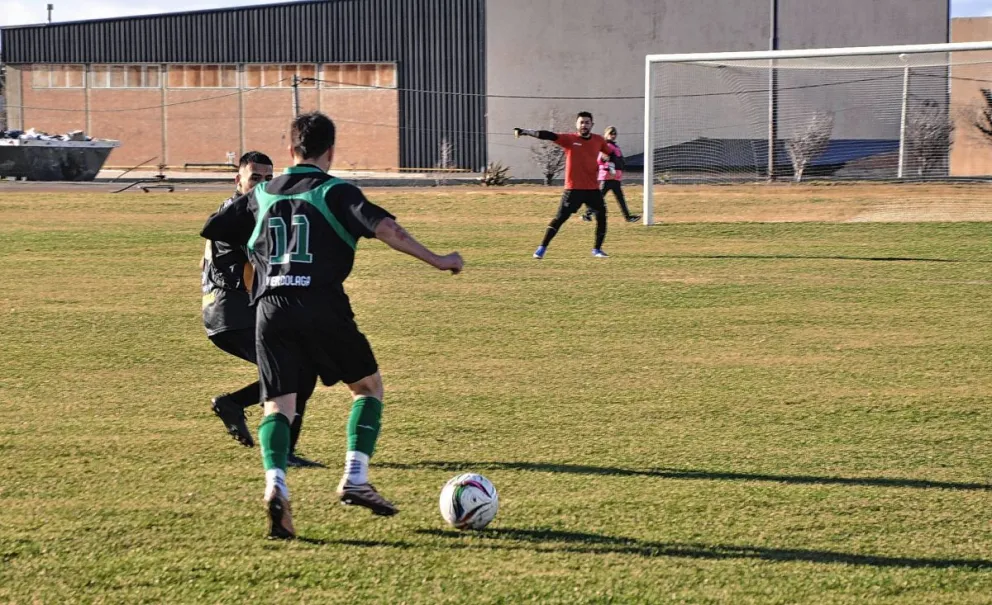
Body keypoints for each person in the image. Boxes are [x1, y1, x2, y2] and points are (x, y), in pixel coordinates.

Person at [200, 111, 464, 539]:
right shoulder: (336, 190)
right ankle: (355, 476)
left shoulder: (263, 193)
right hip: (321, 302)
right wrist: (439, 260)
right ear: (330, 151)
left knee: (278, 405)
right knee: (368, 387)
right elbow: (385, 228)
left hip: (270, 309)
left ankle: (276, 485)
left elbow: (217, 228)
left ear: (290, 150)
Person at [202, 151, 318, 467]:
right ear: (237, 180)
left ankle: (234, 405)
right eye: (255, 178)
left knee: (299, 371)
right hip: (233, 312)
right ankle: (282, 452)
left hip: (243, 311)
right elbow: (249, 271)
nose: (262, 185)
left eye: (269, 179)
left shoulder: (256, 211)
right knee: (292, 370)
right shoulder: (238, 215)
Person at [515, 111, 613, 259]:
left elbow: (608, 153)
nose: (584, 125)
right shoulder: (569, 139)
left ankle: (597, 249)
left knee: (602, 216)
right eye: (581, 122)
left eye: (587, 122)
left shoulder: (599, 140)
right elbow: (549, 135)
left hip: (592, 188)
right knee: (560, 218)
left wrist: (608, 161)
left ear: (592, 124)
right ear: (577, 124)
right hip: (573, 189)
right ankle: (542, 248)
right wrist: (526, 132)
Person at [582, 126, 639, 223]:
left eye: (614, 134)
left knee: (620, 198)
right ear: (606, 134)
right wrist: (608, 162)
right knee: (599, 197)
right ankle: (587, 214)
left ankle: (628, 217)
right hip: (607, 177)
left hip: (615, 177)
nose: (613, 136)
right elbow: (601, 159)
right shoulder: (606, 145)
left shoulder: (615, 146)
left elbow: (618, 160)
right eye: (611, 134)